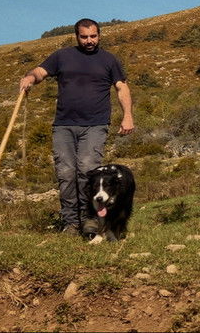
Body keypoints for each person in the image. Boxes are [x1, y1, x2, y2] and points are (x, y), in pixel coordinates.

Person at [19, 18, 134, 236]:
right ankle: (70, 222)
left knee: (87, 171)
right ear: (77, 36)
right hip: (64, 124)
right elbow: (41, 72)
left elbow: (122, 88)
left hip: (95, 124)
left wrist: (127, 116)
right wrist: (30, 78)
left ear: (99, 35)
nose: (89, 41)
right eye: (84, 37)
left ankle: (89, 220)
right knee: (65, 173)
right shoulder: (62, 56)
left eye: (93, 36)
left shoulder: (109, 60)